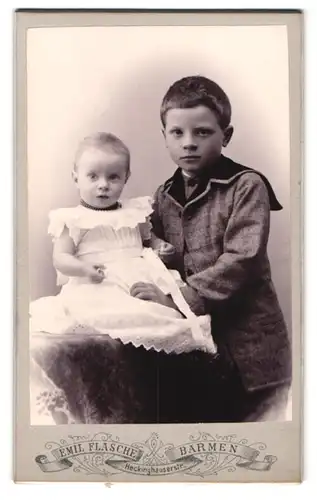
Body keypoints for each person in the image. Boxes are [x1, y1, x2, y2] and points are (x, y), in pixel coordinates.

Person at [143, 75, 292, 422]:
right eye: (177, 133)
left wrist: (180, 298)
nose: (189, 143)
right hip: (194, 345)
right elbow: (153, 256)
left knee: (255, 438)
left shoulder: (246, 186)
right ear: (164, 136)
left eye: (203, 132)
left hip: (249, 348)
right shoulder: (162, 196)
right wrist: (155, 251)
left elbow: (242, 259)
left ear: (226, 136)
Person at [30, 132, 217, 358]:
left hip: (140, 274)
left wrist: (160, 247)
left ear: (126, 178)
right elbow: (61, 258)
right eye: (93, 176)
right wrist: (83, 269)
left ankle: (161, 325)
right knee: (114, 313)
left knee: (163, 311)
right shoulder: (72, 219)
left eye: (113, 177)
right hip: (101, 280)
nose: (103, 185)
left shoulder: (134, 212)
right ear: (76, 177)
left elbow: (146, 240)